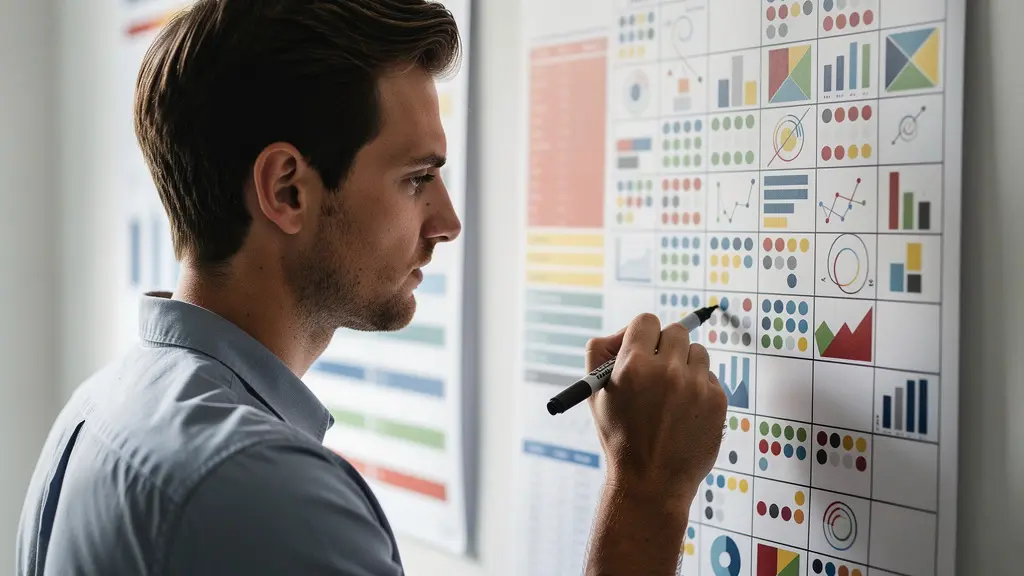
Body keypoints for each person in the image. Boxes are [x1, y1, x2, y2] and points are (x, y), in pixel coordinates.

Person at [15, 0, 728, 574]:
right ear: (288, 190)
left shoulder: (99, 408)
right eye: (417, 178)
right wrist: (647, 492)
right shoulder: (260, 489)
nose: (447, 221)